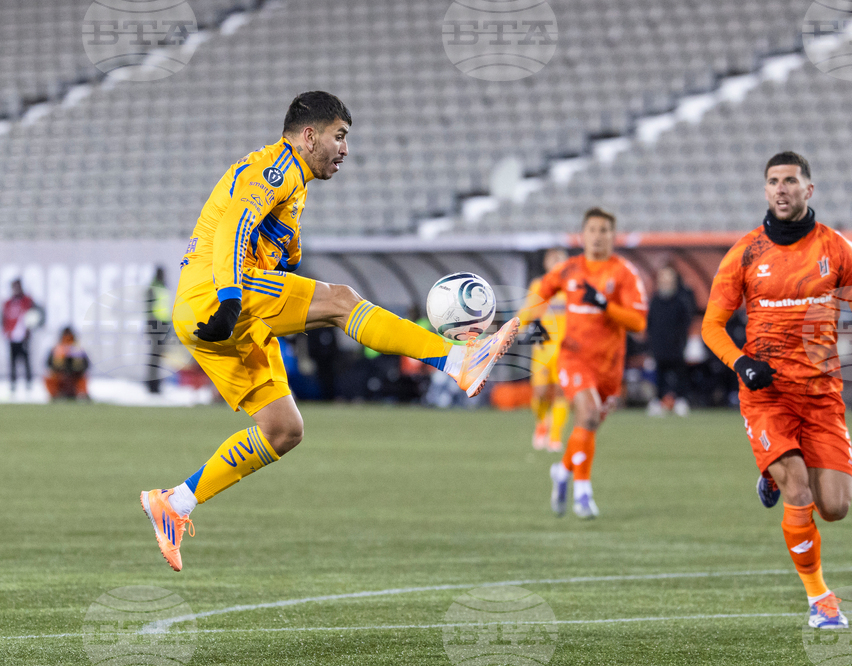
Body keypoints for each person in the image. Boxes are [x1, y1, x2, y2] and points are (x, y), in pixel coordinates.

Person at [140, 92, 519, 571]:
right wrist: (232, 299)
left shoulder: (295, 188)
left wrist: (285, 266)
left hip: (219, 316)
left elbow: (277, 246)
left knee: (283, 431)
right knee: (342, 301)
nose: (344, 150)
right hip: (215, 299)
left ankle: (174, 503)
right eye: (339, 137)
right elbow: (234, 229)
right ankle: (457, 359)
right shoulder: (273, 169)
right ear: (309, 135)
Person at [701, 152, 852, 629]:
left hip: (821, 395)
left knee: (836, 508)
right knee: (798, 488)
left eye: (790, 181)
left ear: (809, 189)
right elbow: (712, 326)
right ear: (765, 191)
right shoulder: (745, 252)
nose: (781, 189)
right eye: (773, 182)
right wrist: (741, 363)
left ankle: (771, 474)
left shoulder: (837, 249)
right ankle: (820, 600)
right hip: (767, 394)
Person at [524, 208, 648, 519]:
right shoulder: (569, 270)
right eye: (592, 229)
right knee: (588, 413)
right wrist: (534, 320)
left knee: (588, 426)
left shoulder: (623, 273)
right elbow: (540, 290)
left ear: (613, 236)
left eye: (604, 230)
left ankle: (562, 471)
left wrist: (606, 305)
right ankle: (583, 492)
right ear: (582, 235)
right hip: (574, 356)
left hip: (609, 366)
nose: (597, 235)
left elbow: (638, 322)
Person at [518, 247, 569, 451]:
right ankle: (541, 424)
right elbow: (526, 313)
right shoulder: (538, 286)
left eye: (560, 260)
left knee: (561, 392)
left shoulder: (572, 288)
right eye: (552, 259)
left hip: (566, 350)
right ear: (546, 264)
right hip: (542, 348)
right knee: (539, 392)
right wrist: (521, 329)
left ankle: (555, 434)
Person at [645, 265, 695, 417]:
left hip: (676, 347)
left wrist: (681, 342)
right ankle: (658, 402)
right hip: (658, 347)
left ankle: (681, 402)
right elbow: (650, 324)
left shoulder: (681, 301)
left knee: (680, 376)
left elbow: (686, 324)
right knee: (659, 377)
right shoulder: (654, 301)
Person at [3, 279, 36, 392]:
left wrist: (29, 329)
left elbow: (34, 314)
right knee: (12, 361)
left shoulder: (27, 301)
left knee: (26, 360)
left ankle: (29, 383)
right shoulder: (8, 303)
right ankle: (13, 383)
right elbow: (4, 318)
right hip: (12, 336)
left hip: (23, 336)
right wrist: (6, 331)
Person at [146, 266, 173, 394]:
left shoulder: (162, 288)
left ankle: (154, 383)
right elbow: (149, 309)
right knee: (155, 356)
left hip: (163, 324)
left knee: (157, 356)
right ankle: (152, 384)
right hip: (156, 324)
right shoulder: (155, 288)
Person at [45, 327, 90, 400]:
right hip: (60, 376)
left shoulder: (78, 349)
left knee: (83, 378)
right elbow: (48, 363)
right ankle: (56, 394)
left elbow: (86, 364)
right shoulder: (56, 348)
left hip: (75, 376)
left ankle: (82, 393)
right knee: (50, 377)